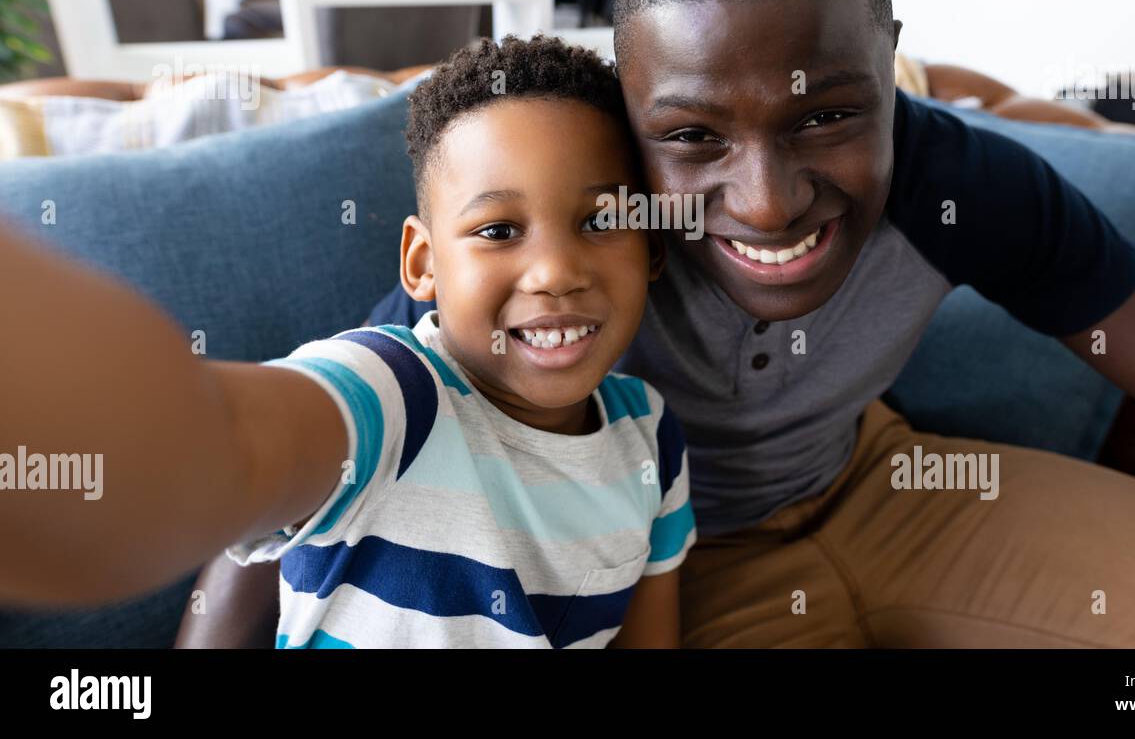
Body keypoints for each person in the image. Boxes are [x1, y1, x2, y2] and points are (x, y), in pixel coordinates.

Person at [180, 0, 1135, 648]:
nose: (765, 203)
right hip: (655, 564)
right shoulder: (570, 215)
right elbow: (283, 491)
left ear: (889, 66)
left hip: (891, 484)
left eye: (824, 118)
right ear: (628, 110)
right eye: (693, 136)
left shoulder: (960, 182)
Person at [1, 35, 695, 648]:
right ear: (423, 264)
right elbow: (225, 440)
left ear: (652, 249)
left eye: (602, 221)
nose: (554, 272)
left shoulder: (652, 439)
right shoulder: (393, 390)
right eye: (498, 230)